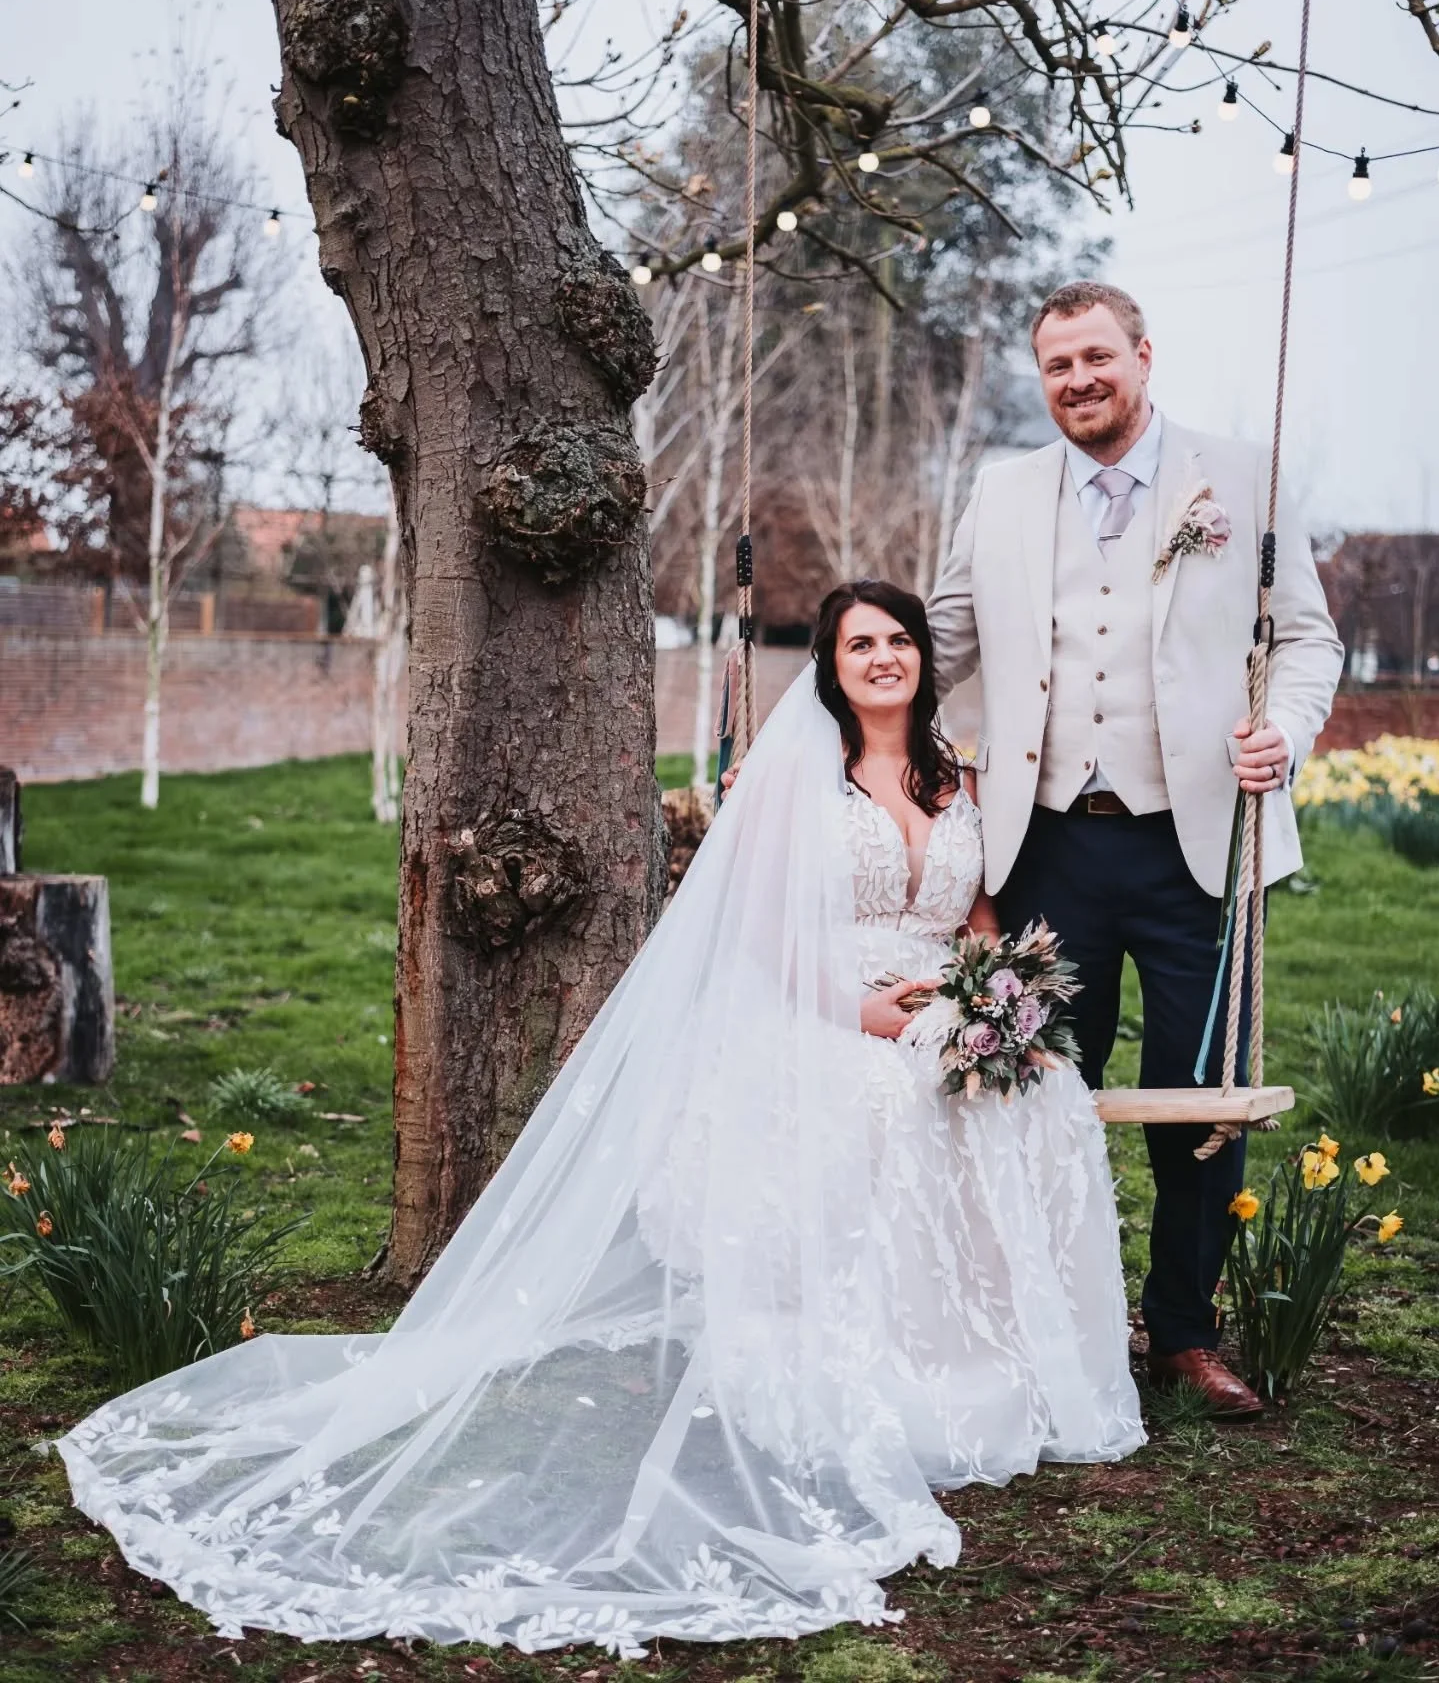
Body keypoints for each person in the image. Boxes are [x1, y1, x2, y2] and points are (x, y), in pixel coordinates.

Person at [60, 580, 1141, 1658]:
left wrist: (988, 1002)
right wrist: (869, 1016)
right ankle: (876, 1376)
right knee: (880, 1103)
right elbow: (767, 937)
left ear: (921, 659)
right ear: (830, 664)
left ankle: (989, 1361)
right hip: (826, 1011)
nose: (885, 657)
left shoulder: (958, 779)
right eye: (861, 643)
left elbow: (977, 911)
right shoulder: (799, 785)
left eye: (900, 640)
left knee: (1035, 1092)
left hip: (942, 1012)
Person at [928, 280, 1344, 1418]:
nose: (1078, 381)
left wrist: (1284, 735)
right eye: (1058, 366)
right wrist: (838, 725)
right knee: (1031, 1086)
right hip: (1043, 843)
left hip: (1197, 847)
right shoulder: (1003, 491)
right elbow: (943, 640)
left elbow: (1307, 641)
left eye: (1097, 358)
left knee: (1199, 1097)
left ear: (1143, 357)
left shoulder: (1239, 477)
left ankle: (1183, 1332)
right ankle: (1042, 1319)